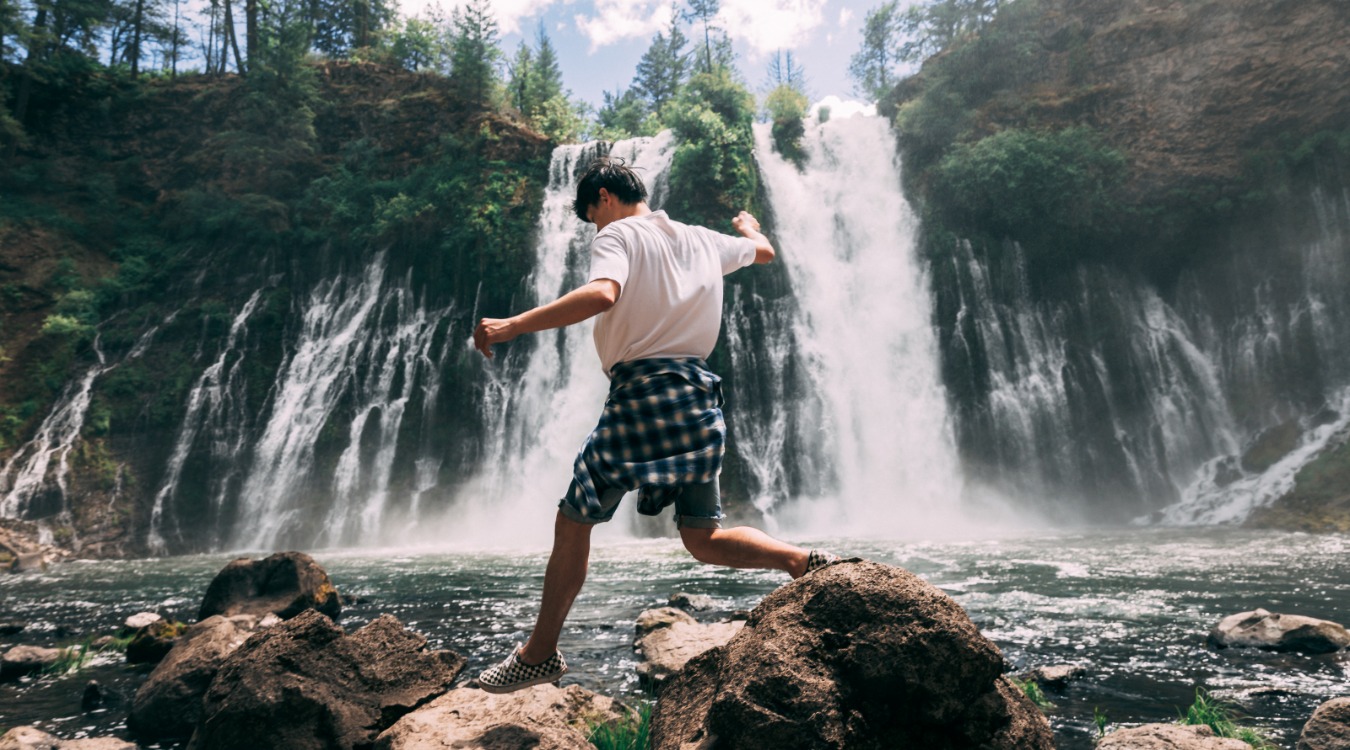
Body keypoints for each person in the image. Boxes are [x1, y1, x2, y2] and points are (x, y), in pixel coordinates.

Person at [471, 156, 838, 694]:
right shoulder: (702, 240)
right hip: (697, 397)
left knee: (575, 520)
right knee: (703, 535)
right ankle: (804, 562)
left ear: (603, 197)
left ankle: (539, 654)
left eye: (593, 216)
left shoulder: (618, 235)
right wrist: (749, 229)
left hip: (642, 397)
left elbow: (603, 294)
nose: (597, 227)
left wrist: (512, 325)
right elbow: (763, 252)